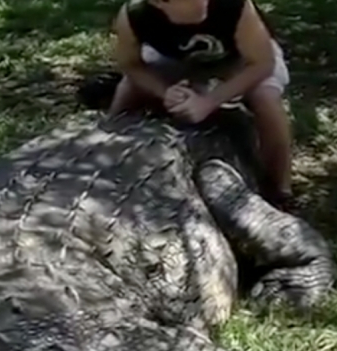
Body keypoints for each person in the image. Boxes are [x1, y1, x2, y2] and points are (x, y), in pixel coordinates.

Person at [108, 0, 296, 211]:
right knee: (128, 89)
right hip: (175, 61)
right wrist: (165, 92)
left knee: (266, 99)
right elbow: (130, 64)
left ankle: (280, 188)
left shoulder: (236, 6)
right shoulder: (135, 15)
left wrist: (209, 102)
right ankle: (106, 149)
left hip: (240, 61)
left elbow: (262, 63)